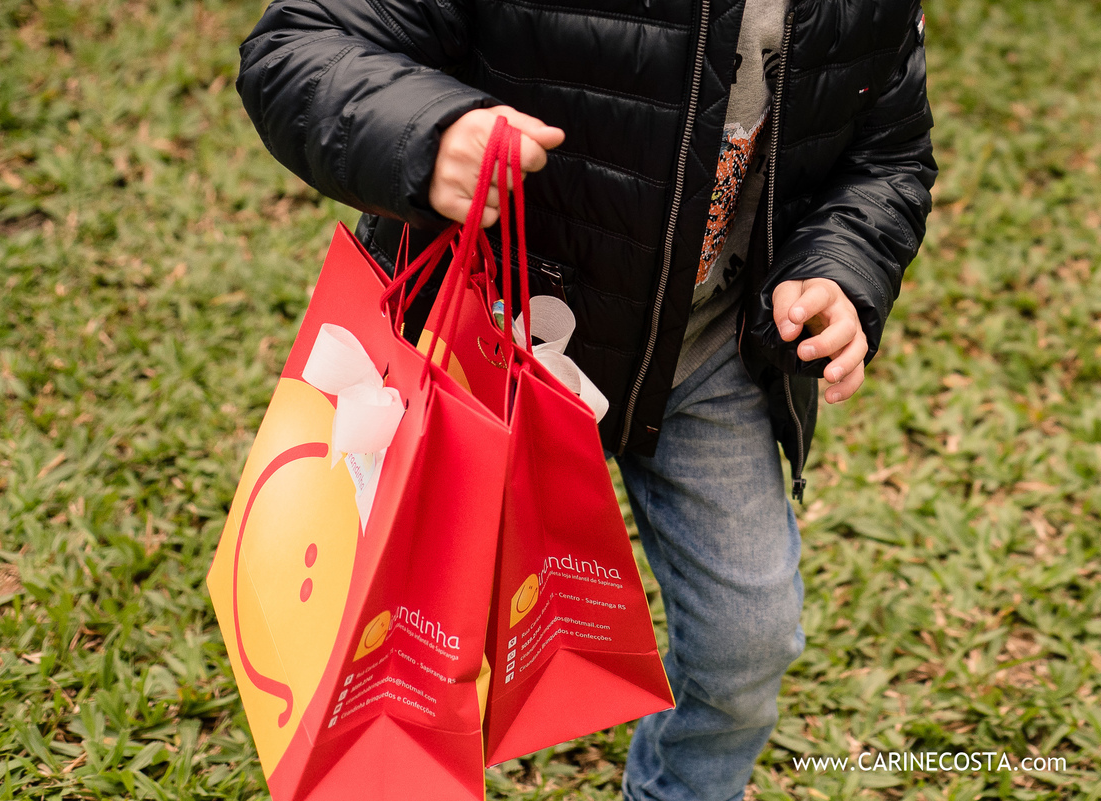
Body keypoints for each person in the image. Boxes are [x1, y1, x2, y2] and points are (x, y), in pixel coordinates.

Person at [235, 0, 936, 798]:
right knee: (402, 632)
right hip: (492, 340)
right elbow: (298, 44)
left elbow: (888, 152)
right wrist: (426, 134)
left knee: (750, 636)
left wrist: (841, 269)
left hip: (706, 352)